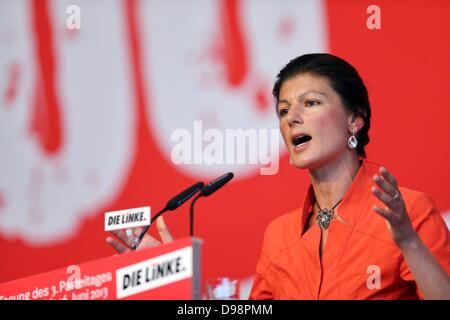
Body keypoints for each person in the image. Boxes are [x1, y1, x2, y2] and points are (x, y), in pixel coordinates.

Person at [106, 53, 450, 300]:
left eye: (310, 103)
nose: (291, 118)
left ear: (355, 120)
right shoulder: (279, 236)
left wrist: (407, 241)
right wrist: (183, 281)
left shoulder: (410, 212)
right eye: (283, 110)